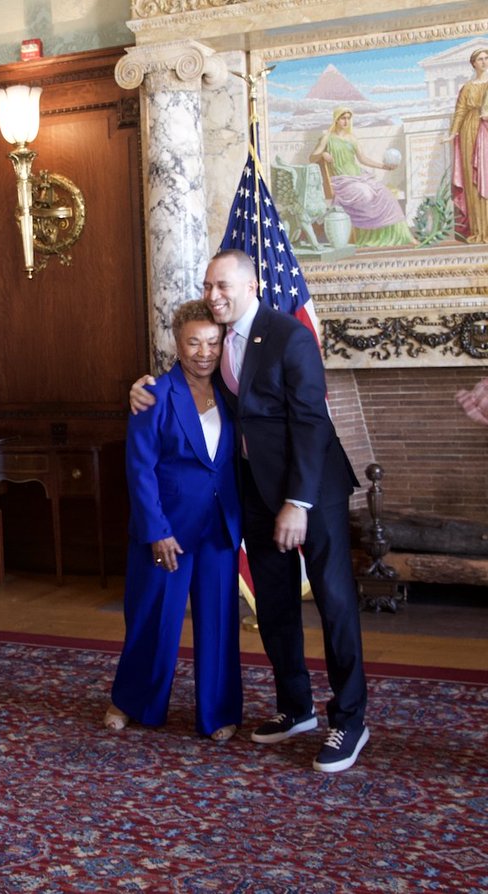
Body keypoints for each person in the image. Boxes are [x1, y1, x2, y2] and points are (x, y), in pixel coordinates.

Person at [130, 249, 368, 773]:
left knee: (333, 602)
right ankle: (296, 707)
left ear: (252, 284)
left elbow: (310, 422)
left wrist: (298, 502)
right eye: (208, 285)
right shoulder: (220, 345)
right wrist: (142, 387)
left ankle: (349, 718)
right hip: (257, 491)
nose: (213, 295)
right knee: (275, 602)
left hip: (312, 491)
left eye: (223, 286)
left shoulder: (288, 335)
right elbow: (194, 390)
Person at [105, 300, 242, 742]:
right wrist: (156, 530)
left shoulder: (234, 394)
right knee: (153, 618)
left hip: (219, 528)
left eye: (213, 342)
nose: (204, 352)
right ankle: (132, 701)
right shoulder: (154, 395)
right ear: (177, 343)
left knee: (219, 622)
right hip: (167, 530)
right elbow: (139, 468)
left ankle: (218, 711)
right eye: (194, 342)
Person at [309, 108, 414, 248]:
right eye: (342, 118)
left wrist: (384, 166)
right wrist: (322, 155)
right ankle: (367, 236)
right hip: (342, 181)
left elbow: (363, 159)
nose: (346, 121)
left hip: (359, 177)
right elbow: (311, 158)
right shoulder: (327, 138)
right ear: (336, 119)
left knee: (385, 193)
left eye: (348, 118)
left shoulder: (352, 138)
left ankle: (404, 236)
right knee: (365, 194)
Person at [444, 48, 488, 244]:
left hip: (486, 129)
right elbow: (460, 111)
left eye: (487, 58)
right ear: (473, 63)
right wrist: (452, 133)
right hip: (469, 131)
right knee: (473, 181)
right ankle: (479, 230)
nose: (485, 62)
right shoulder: (467, 88)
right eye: (480, 59)